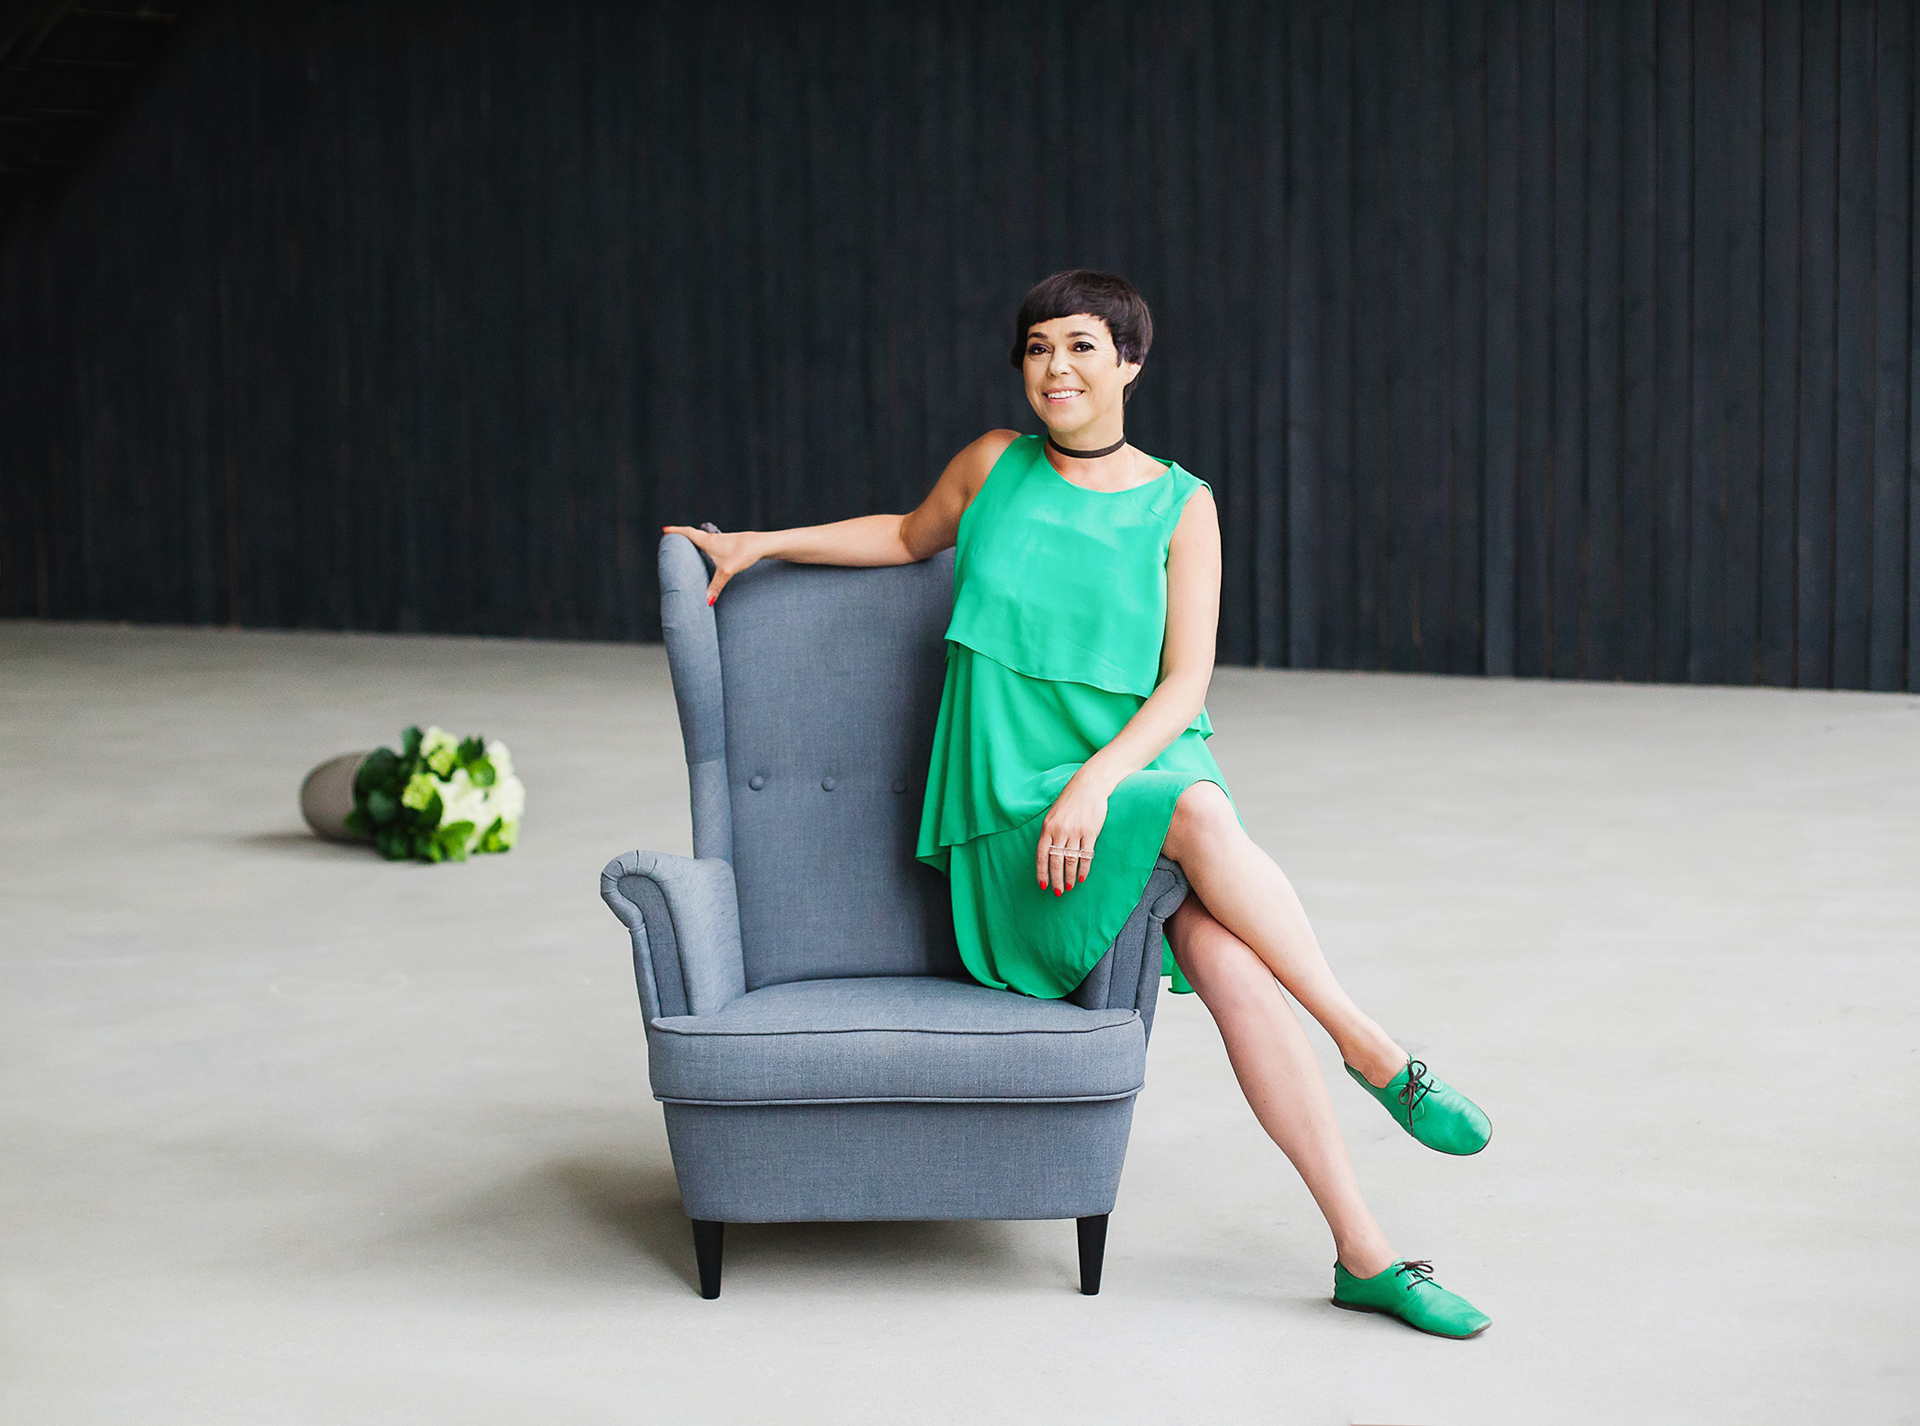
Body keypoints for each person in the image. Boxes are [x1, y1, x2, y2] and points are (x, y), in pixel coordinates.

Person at [666, 270, 1493, 1339]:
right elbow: (906, 536)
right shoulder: (992, 466)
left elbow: (1185, 684)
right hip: (1021, 826)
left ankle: (1364, 1253)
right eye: (1038, 347)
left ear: (1130, 363)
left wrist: (1097, 784)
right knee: (1200, 817)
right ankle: (1371, 1048)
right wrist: (763, 543)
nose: (1055, 367)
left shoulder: (1183, 504)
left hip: (1123, 787)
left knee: (1230, 958)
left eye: (1082, 346)